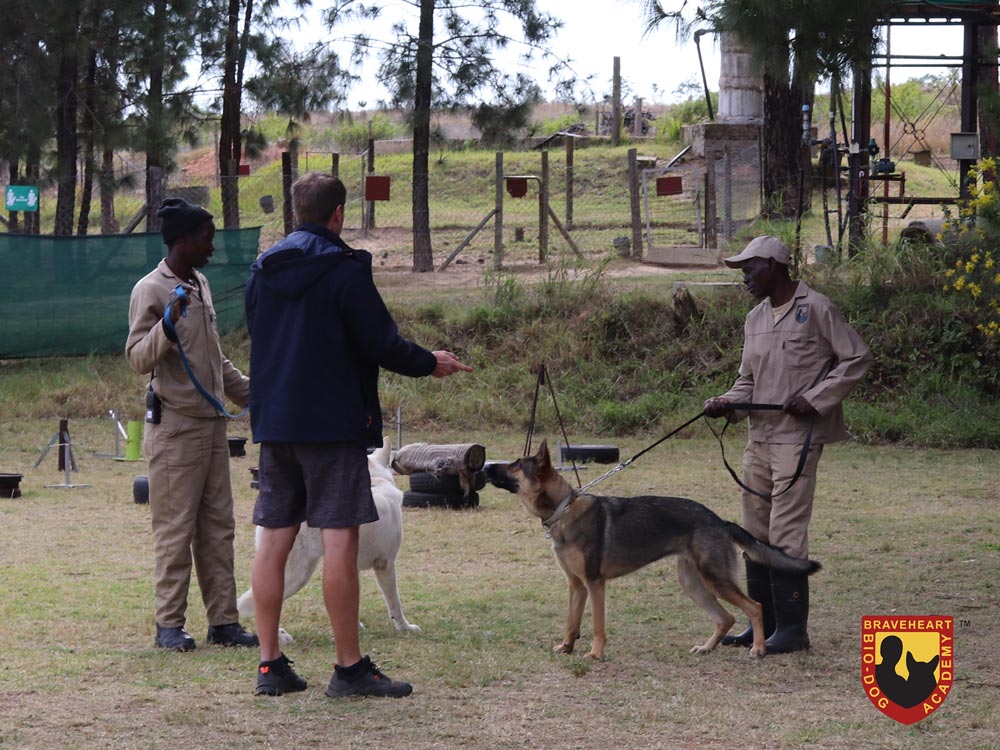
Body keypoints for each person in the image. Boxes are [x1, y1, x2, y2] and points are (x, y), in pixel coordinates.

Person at [244, 172, 473, 698]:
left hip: (277, 422)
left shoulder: (262, 270)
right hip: (332, 424)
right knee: (340, 541)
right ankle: (348, 669)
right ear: (338, 214)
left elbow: (262, 337)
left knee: (274, 540)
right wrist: (429, 362)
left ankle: (269, 665)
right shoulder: (344, 268)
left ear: (296, 211)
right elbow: (380, 342)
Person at [703, 235, 872, 654]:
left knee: (785, 532)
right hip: (758, 436)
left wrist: (815, 398)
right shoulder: (755, 318)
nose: (745, 277)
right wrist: (726, 404)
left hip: (797, 438)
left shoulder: (817, 308)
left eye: (749, 269)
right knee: (754, 532)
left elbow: (857, 358)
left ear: (774, 266)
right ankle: (763, 625)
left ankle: (793, 631)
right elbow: (747, 381)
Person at [126, 198, 258, 652]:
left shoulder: (199, 283)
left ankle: (223, 622)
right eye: (206, 238)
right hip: (176, 430)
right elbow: (137, 358)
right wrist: (167, 324)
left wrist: (253, 395)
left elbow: (214, 358)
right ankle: (169, 625)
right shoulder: (150, 289)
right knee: (175, 530)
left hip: (212, 426)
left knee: (219, 528)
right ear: (181, 240)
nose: (212, 246)